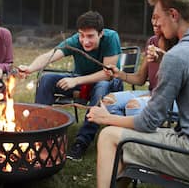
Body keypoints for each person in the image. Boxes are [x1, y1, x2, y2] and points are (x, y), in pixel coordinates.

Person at [87, 0, 189, 187]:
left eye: (158, 17)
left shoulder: (178, 55)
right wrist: (165, 59)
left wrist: (105, 117)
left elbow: (147, 122)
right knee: (123, 147)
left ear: (174, 14)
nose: (156, 23)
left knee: (108, 136)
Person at [18, 10, 122, 160]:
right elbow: (50, 55)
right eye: (81, 35)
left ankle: (82, 142)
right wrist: (30, 68)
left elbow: (108, 74)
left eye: (90, 36)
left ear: (100, 34)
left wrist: (76, 81)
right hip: (81, 81)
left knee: (101, 87)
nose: (85, 41)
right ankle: (38, 132)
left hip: (109, 84)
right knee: (47, 79)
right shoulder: (75, 41)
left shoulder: (111, 37)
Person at [101, 14, 178, 116]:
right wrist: (118, 73)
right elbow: (140, 78)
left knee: (133, 105)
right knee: (108, 101)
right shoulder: (152, 42)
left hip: (174, 100)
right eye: (154, 17)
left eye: (159, 18)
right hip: (152, 93)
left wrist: (163, 59)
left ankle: (133, 127)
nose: (155, 22)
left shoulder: (182, 44)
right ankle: (128, 128)